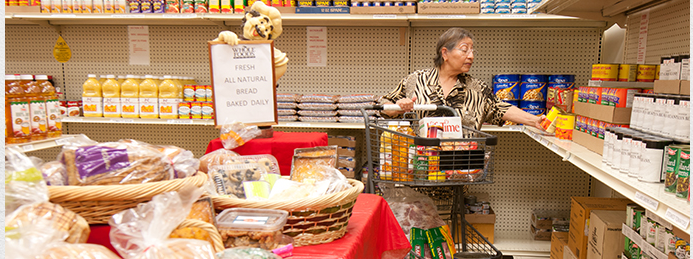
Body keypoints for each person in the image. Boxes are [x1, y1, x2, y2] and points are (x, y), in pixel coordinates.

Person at [379, 27, 544, 130]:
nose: (471, 56)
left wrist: (535, 120)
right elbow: (383, 106)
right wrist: (397, 107)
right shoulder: (415, 80)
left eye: (473, 51)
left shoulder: (477, 89)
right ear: (445, 53)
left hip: (459, 174)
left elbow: (501, 109)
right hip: (420, 172)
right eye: (464, 50)